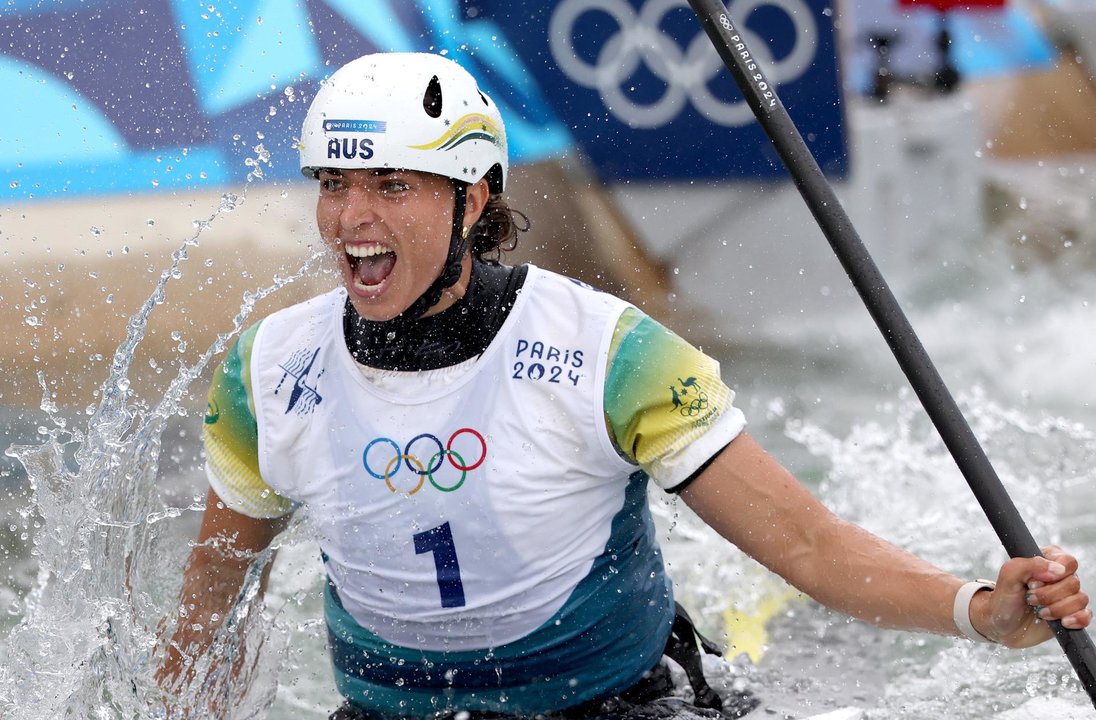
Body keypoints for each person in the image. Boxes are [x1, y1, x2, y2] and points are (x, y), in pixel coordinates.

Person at [158, 52, 1092, 719]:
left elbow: (808, 544)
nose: (352, 219)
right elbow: (208, 610)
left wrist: (979, 612)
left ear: (473, 199)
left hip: (621, 707)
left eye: (393, 186)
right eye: (335, 184)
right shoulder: (269, 371)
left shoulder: (606, 352)